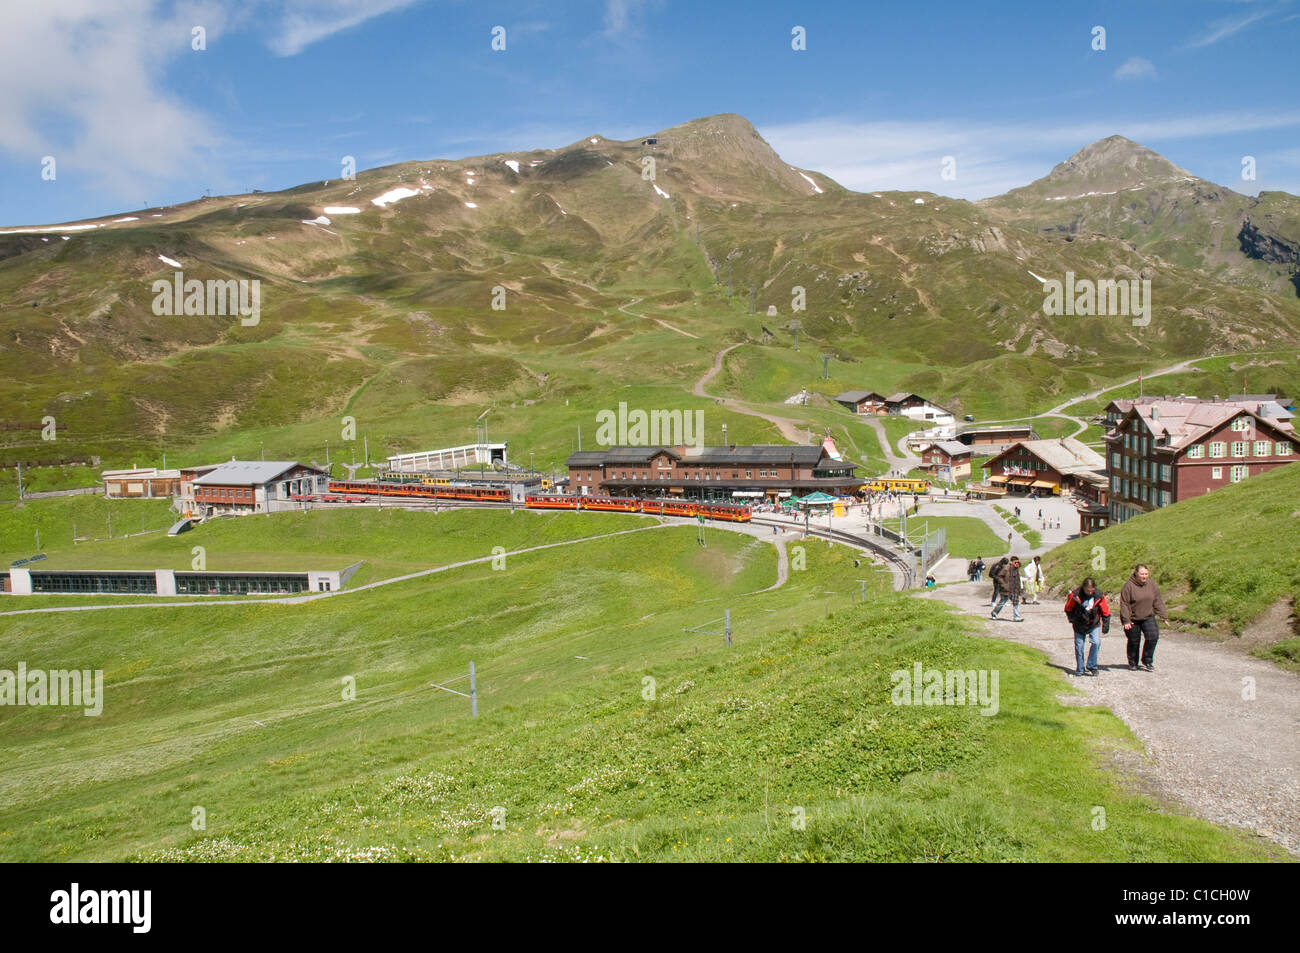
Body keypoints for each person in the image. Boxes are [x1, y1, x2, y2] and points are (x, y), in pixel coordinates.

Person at [1120, 564, 1168, 671]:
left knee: (1153, 636)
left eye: (1146, 574)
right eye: (1142, 574)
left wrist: (1163, 615)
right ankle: (1133, 662)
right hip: (1133, 619)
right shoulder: (1128, 586)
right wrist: (1126, 620)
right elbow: (1124, 604)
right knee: (1134, 641)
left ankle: (1147, 660)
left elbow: (1157, 600)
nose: (1144, 576)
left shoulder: (1151, 585)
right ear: (1136, 574)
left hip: (1148, 616)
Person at [1064, 577, 1110, 676]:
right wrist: (1072, 619)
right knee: (1079, 646)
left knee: (1096, 642)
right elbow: (1068, 608)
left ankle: (1092, 665)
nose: (1090, 593)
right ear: (1083, 588)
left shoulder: (1099, 595)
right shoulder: (1075, 595)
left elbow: (1105, 610)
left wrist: (1106, 624)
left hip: (1094, 623)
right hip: (1079, 623)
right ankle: (1080, 669)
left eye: (1092, 591)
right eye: (1088, 591)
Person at [991, 556, 1023, 621]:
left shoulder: (1016, 570)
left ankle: (1016, 617)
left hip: (1014, 589)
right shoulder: (1006, 568)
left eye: (1018, 562)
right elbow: (1000, 577)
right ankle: (994, 613)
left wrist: (1019, 589)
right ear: (1011, 562)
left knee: (1016, 602)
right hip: (1006, 589)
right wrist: (1003, 585)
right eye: (1015, 562)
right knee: (1002, 602)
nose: (1017, 563)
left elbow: (1018, 580)